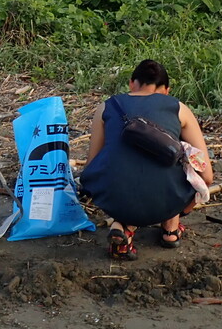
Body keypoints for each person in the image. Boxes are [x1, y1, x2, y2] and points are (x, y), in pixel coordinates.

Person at [80, 59, 213, 260]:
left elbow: (91, 164)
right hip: (166, 200)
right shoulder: (179, 108)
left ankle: (123, 225)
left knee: (123, 169)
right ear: (166, 90)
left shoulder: (107, 106)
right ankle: (171, 229)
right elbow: (207, 175)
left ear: (132, 83)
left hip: (114, 198)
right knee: (182, 168)